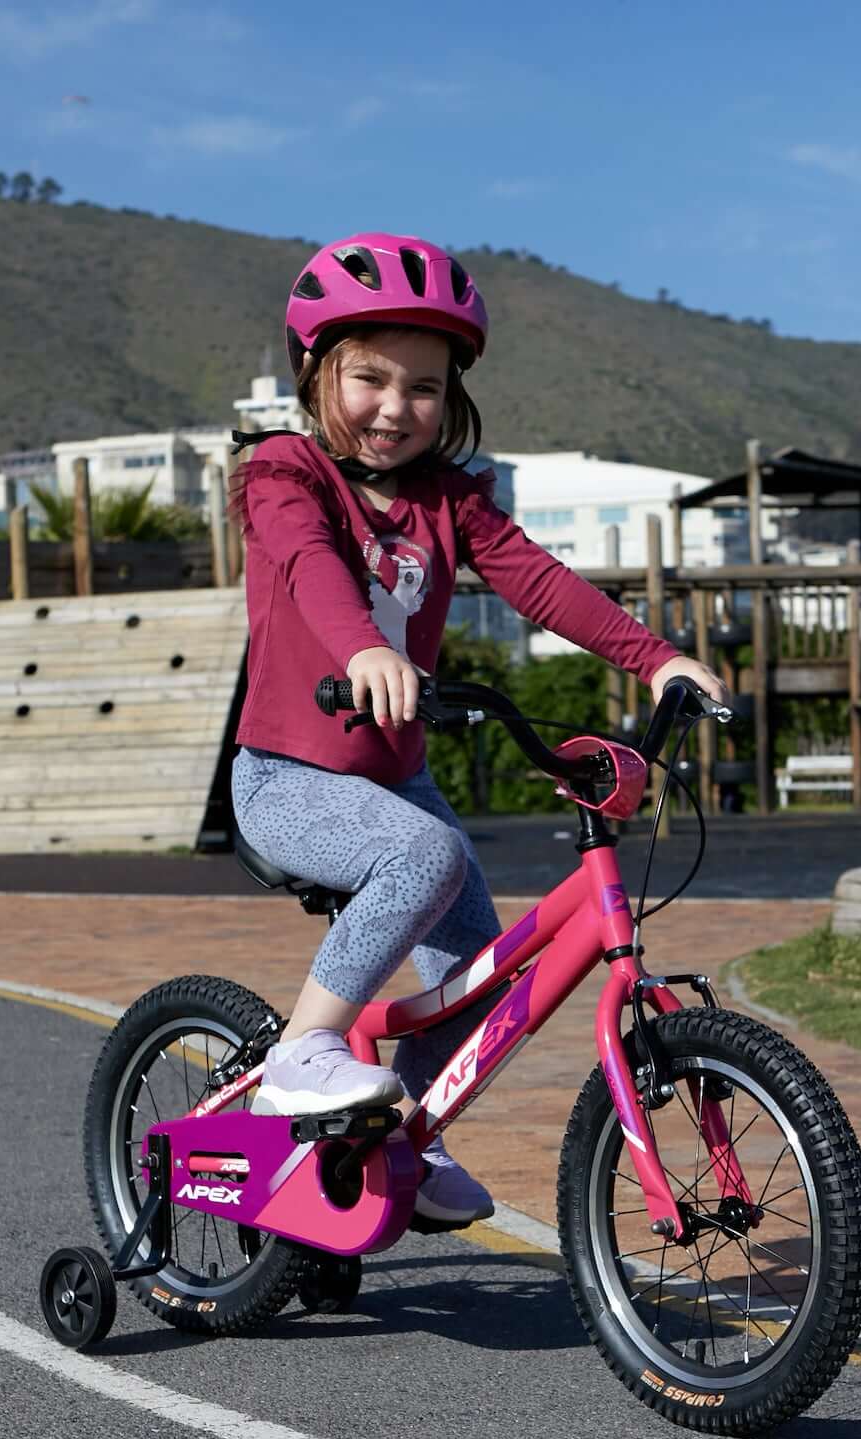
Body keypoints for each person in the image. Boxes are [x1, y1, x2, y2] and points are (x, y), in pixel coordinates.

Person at [227, 231, 727, 1228]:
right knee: (420, 855)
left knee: (473, 986)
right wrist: (366, 649)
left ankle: (409, 1136)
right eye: (368, 377)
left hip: (397, 782)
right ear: (316, 370)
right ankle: (301, 1056)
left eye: (423, 387)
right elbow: (312, 571)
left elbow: (541, 584)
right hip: (285, 776)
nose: (394, 407)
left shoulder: (453, 501)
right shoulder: (285, 475)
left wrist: (656, 657)